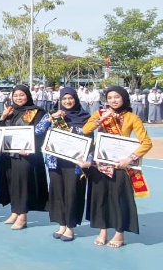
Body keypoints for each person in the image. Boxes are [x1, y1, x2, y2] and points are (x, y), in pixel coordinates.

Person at [82, 86, 152, 248]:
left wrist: (130, 159)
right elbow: (86, 130)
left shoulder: (132, 118)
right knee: (100, 197)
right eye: (110, 98)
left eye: (117, 97)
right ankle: (103, 230)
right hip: (100, 163)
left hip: (120, 164)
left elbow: (146, 143)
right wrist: (102, 119)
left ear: (124, 98)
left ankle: (120, 233)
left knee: (119, 198)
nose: (113, 100)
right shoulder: (100, 113)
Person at [34, 87, 91, 241]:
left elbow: (90, 140)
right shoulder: (53, 115)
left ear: (76, 99)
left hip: (75, 163)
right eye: (64, 99)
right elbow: (37, 131)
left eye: (70, 98)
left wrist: (88, 161)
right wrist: (50, 118)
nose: (67, 101)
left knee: (73, 193)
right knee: (57, 193)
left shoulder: (85, 117)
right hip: (55, 162)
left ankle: (70, 226)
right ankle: (61, 224)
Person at [0, 85, 49, 230]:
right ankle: (15, 211)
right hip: (9, 153)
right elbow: (1, 130)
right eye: (15, 95)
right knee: (11, 182)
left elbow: (41, 133)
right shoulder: (10, 111)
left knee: (23, 183)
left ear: (28, 95)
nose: (18, 98)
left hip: (27, 155)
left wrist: (31, 148)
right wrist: (3, 117)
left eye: (22, 95)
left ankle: (23, 215)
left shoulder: (37, 112)